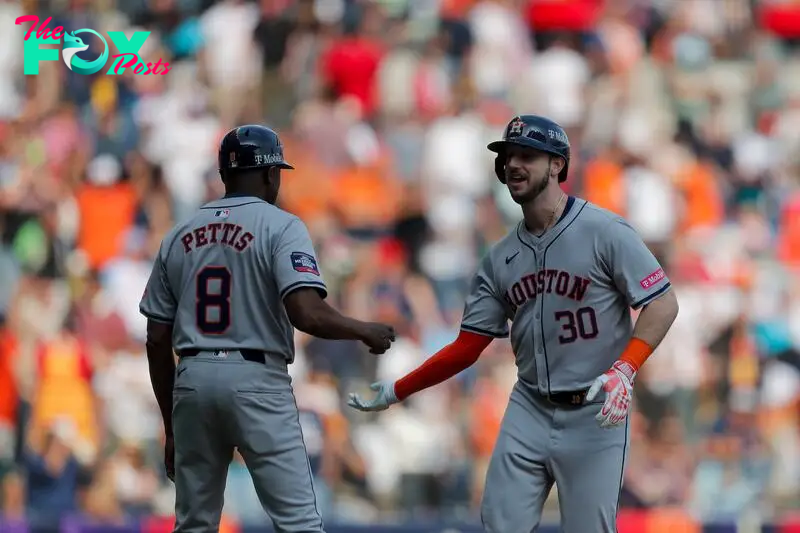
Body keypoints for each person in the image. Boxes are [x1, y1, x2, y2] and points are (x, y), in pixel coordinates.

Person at [347, 115, 680, 532]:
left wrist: (626, 368)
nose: (514, 165)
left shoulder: (605, 231)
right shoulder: (500, 257)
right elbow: (468, 346)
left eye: (527, 155)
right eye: (508, 157)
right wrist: (399, 389)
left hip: (594, 412)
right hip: (530, 406)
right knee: (499, 525)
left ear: (558, 164)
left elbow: (663, 302)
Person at [139, 124, 396, 533]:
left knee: (194, 525)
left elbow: (156, 337)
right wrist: (362, 329)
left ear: (224, 174)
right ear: (269, 174)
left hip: (193, 378)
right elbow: (306, 313)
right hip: (256, 376)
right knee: (299, 524)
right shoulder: (282, 225)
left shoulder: (178, 234)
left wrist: (172, 424)